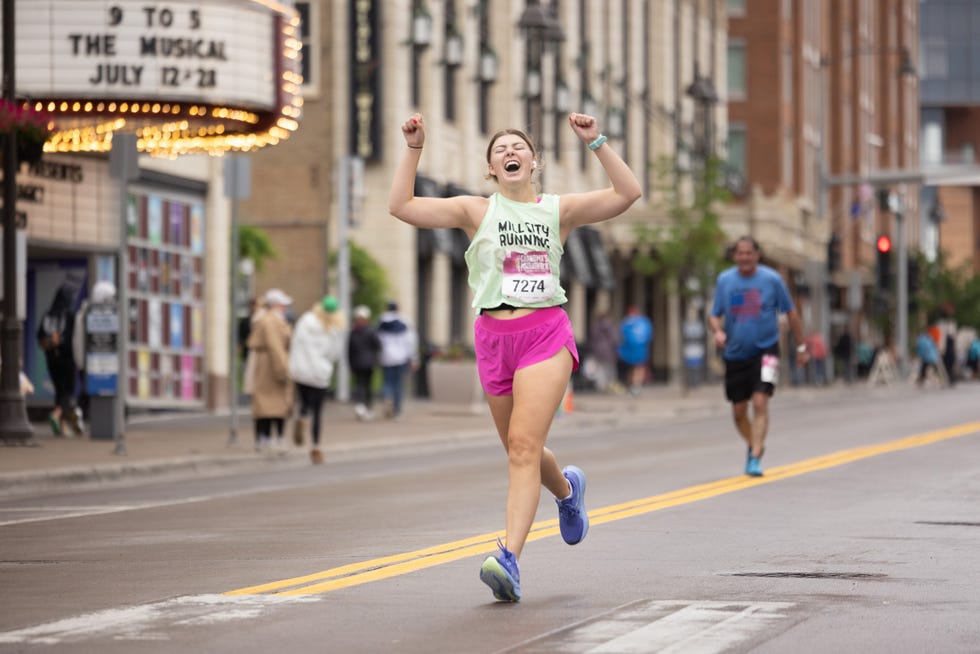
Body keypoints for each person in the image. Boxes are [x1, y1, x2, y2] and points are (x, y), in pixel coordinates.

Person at [388, 112, 641, 602]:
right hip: (492, 339)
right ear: (491, 168)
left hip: (544, 333)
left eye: (518, 147)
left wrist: (597, 142)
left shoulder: (557, 210)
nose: (510, 152)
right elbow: (400, 205)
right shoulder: (474, 211)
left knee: (523, 447)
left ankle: (509, 559)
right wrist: (414, 148)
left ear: (534, 162)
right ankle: (567, 492)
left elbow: (627, 193)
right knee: (519, 448)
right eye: (500, 148)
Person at [708, 236, 808, 477]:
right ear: (734, 256)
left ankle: (755, 456)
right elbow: (714, 314)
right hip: (735, 352)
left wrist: (802, 347)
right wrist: (718, 331)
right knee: (739, 411)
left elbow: (791, 314)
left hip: (767, 350)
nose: (744, 257)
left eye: (749, 253)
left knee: (761, 401)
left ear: (757, 255)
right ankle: (754, 443)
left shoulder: (772, 280)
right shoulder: (725, 280)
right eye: (740, 253)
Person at [288, 294, 345, 464]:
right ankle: (316, 446)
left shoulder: (305, 321)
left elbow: (295, 343)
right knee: (318, 412)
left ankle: (302, 416)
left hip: (301, 371)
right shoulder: (334, 328)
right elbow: (335, 354)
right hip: (320, 374)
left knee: (305, 403)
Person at [248, 288, 293, 451]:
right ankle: (270, 438)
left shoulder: (270, 319)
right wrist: (282, 369)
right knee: (273, 405)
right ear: (275, 305)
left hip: (267, 365)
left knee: (268, 405)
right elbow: (276, 346)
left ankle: (266, 438)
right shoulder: (270, 321)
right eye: (283, 304)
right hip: (271, 367)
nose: (285, 307)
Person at [36, 283, 83, 437]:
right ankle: (56, 415)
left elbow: (40, 335)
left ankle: (61, 426)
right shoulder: (69, 316)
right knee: (68, 391)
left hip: (51, 358)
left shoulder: (48, 315)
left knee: (59, 391)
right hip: (67, 358)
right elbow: (73, 339)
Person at [72, 280, 117, 427]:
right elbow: (79, 340)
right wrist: (80, 361)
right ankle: (81, 418)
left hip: (102, 362)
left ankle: (88, 419)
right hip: (90, 362)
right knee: (87, 392)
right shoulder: (86, 314)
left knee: (95, 392)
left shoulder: (109, 313)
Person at [377, 301, 419, 420]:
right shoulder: (405, 321)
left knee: (387, 382)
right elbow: (411, 341)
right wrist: (414, 358)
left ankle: (387, 397)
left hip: (386, 357)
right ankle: (397, 411)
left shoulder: (381, 321)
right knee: (398, 384)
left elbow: (377, 339)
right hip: (401, 357)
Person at [347, 305, 381, 421]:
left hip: (357, 362)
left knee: (359, 384)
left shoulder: (353, 332)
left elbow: (349, 350)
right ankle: (367, 408)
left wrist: (350, 364)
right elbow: (378, 345)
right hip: (369, 363)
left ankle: (361, 406)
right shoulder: (371, 331)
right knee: (367, 386)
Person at [617, 306, 653, 395]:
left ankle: (632, 386)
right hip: (640, 350)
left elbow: (621, 336)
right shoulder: (644, 322)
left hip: (628, 351)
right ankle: (636, 386)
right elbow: (649, 336)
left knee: (632, 368)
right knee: (639, 368)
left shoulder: (626, 323)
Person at [586, 311, 619, 392]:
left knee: (600, 369)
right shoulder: (609, 326)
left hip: (597, 351)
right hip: (608, 351)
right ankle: (609, 385)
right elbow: (614, 339)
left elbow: (592, 338)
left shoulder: (595, 326)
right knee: (609, 368)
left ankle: (600, 385)